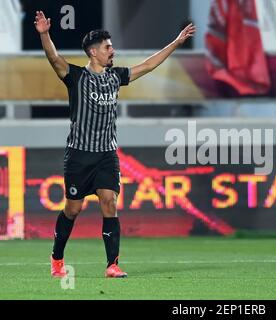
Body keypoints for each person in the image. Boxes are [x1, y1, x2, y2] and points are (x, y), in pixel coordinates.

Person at [34, 10, 195, 278]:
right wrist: (45, 34)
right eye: (108, 47)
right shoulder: (75, 77)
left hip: (107, 155)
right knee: (73, 209)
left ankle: (112, 265)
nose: (113, 50)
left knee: (109, 202)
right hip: (79, 155)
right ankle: (57, 258)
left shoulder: (115, 77)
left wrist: (176, 43)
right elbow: (54, 58)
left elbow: (148, 65)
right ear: (93, 53)